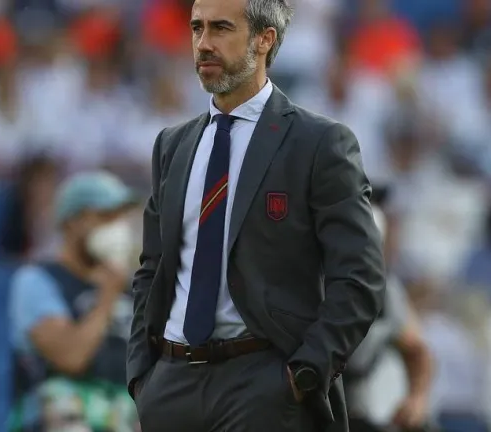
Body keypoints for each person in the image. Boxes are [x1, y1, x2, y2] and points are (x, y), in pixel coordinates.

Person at [126, 0, 386, 431]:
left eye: (221, 28)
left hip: (264, 384)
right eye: (197, 28)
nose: (203, 43)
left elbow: (360, 277)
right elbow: (151, 269)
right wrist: (141, 376)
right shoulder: (172, 146)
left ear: (265, 39)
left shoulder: (319, 142)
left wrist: (305, 373)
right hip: (171, 385)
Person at [7, 171, 141, 432]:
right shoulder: (37, 280)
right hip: (57, 415)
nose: (117, 227)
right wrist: (107, 297)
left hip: (120, 413)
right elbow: (70, 358)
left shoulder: (133, 288)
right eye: (105, 216)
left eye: (120, 216)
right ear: (72, 222)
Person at [345, 198, 434, 432]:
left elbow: (416, 351)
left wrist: (416, 399)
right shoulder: (304, 290)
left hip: (353, 409)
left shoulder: (387, 292)